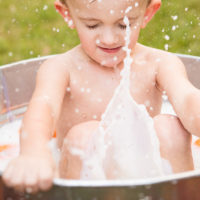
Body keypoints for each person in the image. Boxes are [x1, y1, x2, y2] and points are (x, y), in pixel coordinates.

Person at [2, 0, 197, 193]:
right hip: (80, 183)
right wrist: (34, 152)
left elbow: (187, 98)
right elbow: (43, 108)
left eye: (124, 24)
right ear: (67, 14)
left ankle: (183, 194)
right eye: (92, 25)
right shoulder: (62, 68)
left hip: (150, 174)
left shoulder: (158, 63)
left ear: (148, 13)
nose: (109, 39)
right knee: (86, 137)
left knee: (171, 128)